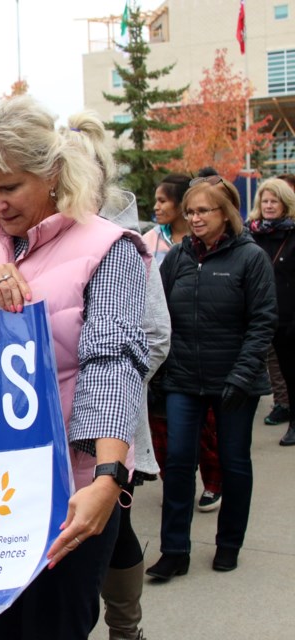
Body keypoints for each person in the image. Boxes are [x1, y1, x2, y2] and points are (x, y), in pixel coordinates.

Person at [0, 96, 150, 640]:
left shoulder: (108, 247)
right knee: (3, 626)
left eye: (10, 187)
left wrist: (108, 479)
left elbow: (112, 363)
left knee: (55, 627)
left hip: (71, 482)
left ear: (52, 175)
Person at [63, 114, 171, 640]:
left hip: (112, 422)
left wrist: (111, 390)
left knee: (115, 519)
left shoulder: (125, 244)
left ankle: (126, 627)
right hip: (54, 421)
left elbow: (153, 336)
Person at [146, 175, 276, 580]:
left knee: (235, 463)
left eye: (203, 210)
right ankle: (174, 551)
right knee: (180, 463)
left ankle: (229, 544)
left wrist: (240, 376)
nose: (194, 218)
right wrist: (161, 374)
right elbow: (160, 316)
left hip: (234, 383)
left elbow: (262, 322)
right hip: (185, 380)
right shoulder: (178, 259)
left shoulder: (250, 258)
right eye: (190, 212)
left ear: (226, 214)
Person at [144, 173, 224, 513]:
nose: (157, 207)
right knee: (164, 426)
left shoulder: (199, 244)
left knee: (204, 428)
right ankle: (176, 480)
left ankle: (214, 480)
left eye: (164, 201)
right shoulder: (147, 240)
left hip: (197, 346)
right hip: (164, 345)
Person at [248, 178, 295, 445]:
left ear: (285, 203)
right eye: (264, 201)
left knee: (290, 372)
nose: (268, 206)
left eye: (273, 201)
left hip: (287, 316)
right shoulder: (251, 233)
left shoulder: (292, 234)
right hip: (257, 314)